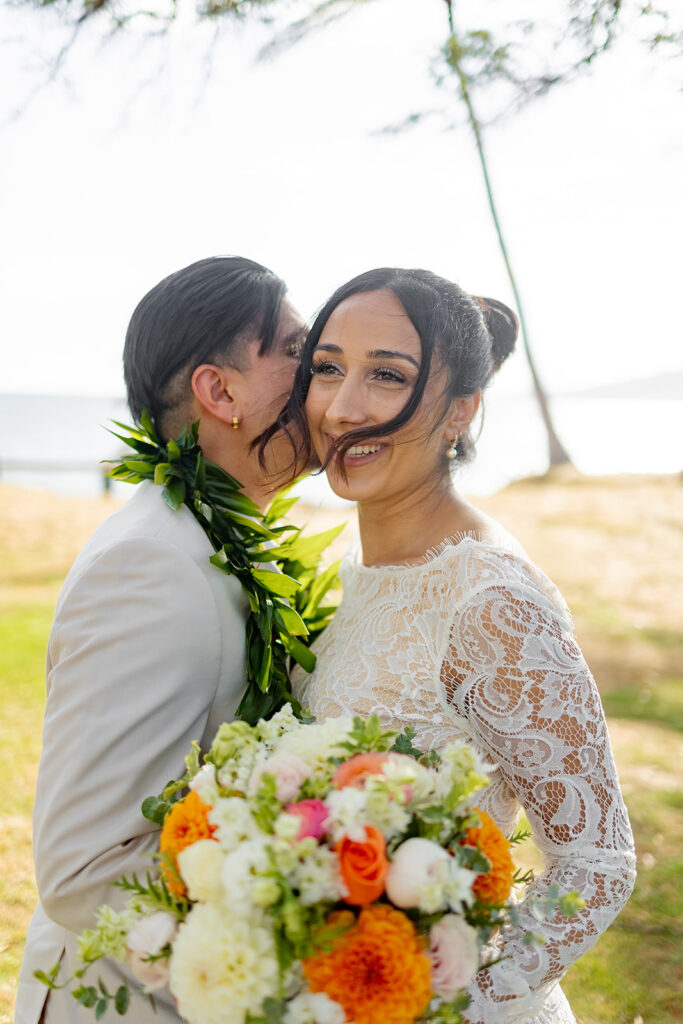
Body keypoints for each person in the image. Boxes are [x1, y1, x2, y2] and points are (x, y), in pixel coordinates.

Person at [276, 268, 636, 1024]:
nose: (342, 409)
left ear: (460, 412)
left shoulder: (491, 602)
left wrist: (454, 1000)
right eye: (327, 368)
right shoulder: (356, 564)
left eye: (387, 376)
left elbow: (596, 863)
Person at [16, 256, 306, 1024]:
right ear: (220, 391)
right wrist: (275, 990)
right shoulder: (150, 562)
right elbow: (82, 869)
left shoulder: (213, 536)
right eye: (297, 352)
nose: (324, 380)